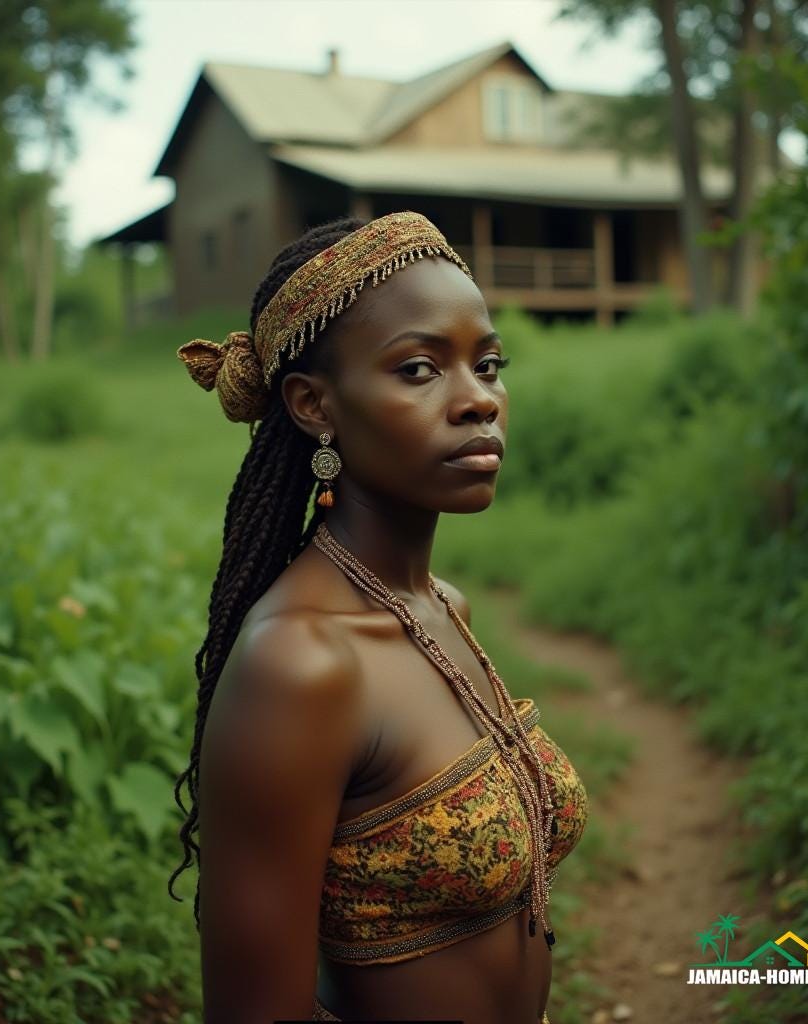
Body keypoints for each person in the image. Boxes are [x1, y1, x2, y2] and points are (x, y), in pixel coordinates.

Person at [170, 212, 589, 1024]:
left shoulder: (444, 610)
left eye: (489, 364)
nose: (479, 402)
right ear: (313, 406)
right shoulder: (299, 664)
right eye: (421, 368)